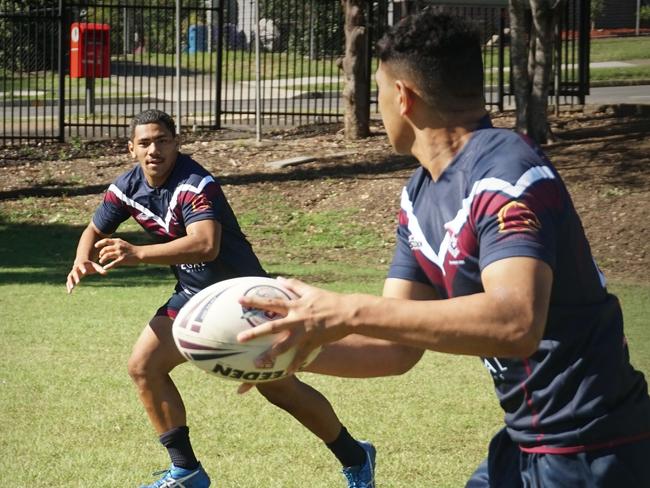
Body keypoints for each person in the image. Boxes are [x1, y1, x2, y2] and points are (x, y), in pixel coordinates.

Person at [237, 11, 650, 487]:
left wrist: (345, 310)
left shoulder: (507, 174)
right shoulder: (419, 195)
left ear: (402, 97)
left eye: (377, 93)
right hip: (525, 446)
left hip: (594, 449)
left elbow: (515, 322)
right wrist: (287, 349)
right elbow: (394, 349)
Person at [65, 109, 376, 488]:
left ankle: (356, 457)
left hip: (242, 296)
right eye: (144, 143)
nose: (154, 150)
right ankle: (186, 470)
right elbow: (94, 229)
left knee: (279, 387)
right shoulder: (127, 187)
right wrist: (82, 258)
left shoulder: (195, 183)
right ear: (131, 149)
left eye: (162, 140)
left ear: (176, 143)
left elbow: (206, 245)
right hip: (193, 296)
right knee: (143, 366)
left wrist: (138, 254)